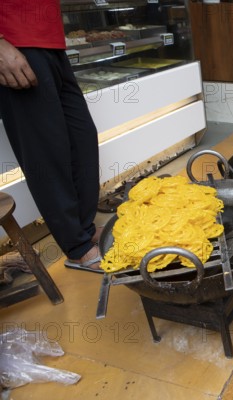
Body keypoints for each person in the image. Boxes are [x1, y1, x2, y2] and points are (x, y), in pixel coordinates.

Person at [0, 0, 103, 273]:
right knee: (46, 152)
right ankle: (77, 248)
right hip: (13, 41)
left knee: (82, 140)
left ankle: (84, 229)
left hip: (51, 42)